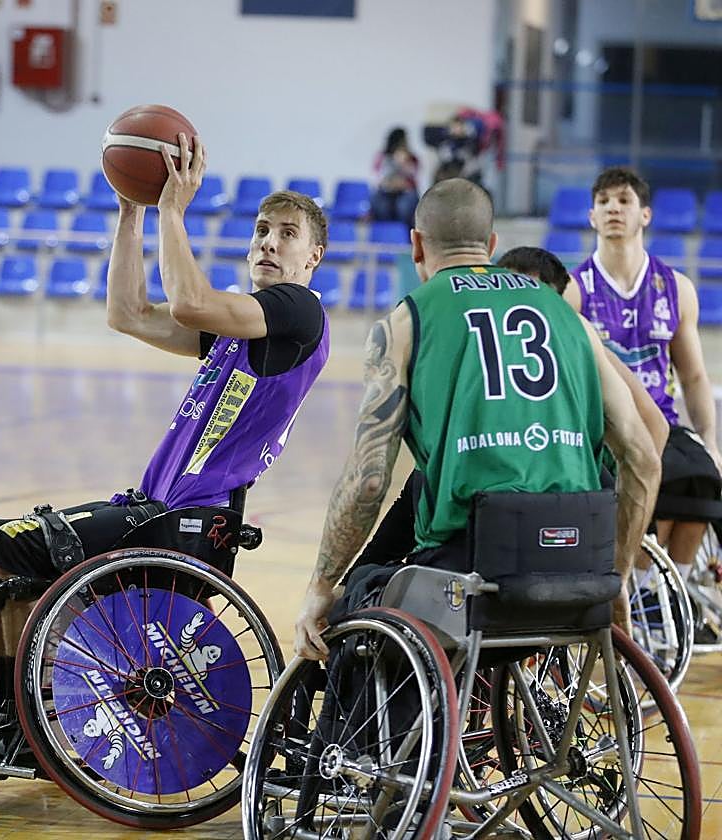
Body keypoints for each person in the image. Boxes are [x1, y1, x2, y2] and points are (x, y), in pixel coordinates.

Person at [0, 134, 331, 701]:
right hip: (160, 510)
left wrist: (172, 209)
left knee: (14, 544)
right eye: (262, 230)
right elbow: (129, 314)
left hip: (188, 521)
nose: (269, 241)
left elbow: (189, 302)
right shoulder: (244, 326)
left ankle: (23, 709)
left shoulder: (298, 310)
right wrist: (130, 211)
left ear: (313, 257)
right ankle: (21, 710)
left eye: (288, 234)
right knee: (6, 545)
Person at [294, 179, 660, 660]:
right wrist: (617, 576)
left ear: (417, 245)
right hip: (580, 566)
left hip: (474, 571)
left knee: (354, 608)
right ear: (490, 245)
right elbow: (643, 457)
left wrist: (322, 586)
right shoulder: (570, 317)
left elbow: (369, 480)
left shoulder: (406, 321)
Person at [346, 245, 669, 578]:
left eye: (533, 292)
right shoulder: (478, 352)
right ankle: (357, 574)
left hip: (568, 499)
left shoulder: (581, 341)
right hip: (541, 522)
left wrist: (629, 529)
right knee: (428, 480)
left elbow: (653, 430)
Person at [565, 167, 722, 589]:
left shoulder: (676, 288)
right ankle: (636, 586)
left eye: (624, 200)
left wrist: (710, 441)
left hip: (663, 423)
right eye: (603, 202)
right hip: (605, 428)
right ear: (592, 216)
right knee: (655, 480)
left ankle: (673, 589)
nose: (613, 208)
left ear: (645, 214)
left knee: (703, 479)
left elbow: (693, 376)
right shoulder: (576, 289)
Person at [371, 127, 420, 225]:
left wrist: (405, 163)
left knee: (405, 207)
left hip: (405, 192)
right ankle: (384, 229)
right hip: (386, 191)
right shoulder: (382, 156)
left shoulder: (412, 158)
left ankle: (404, 229)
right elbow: (378, 177)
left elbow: (413, 176)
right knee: (379, 203)